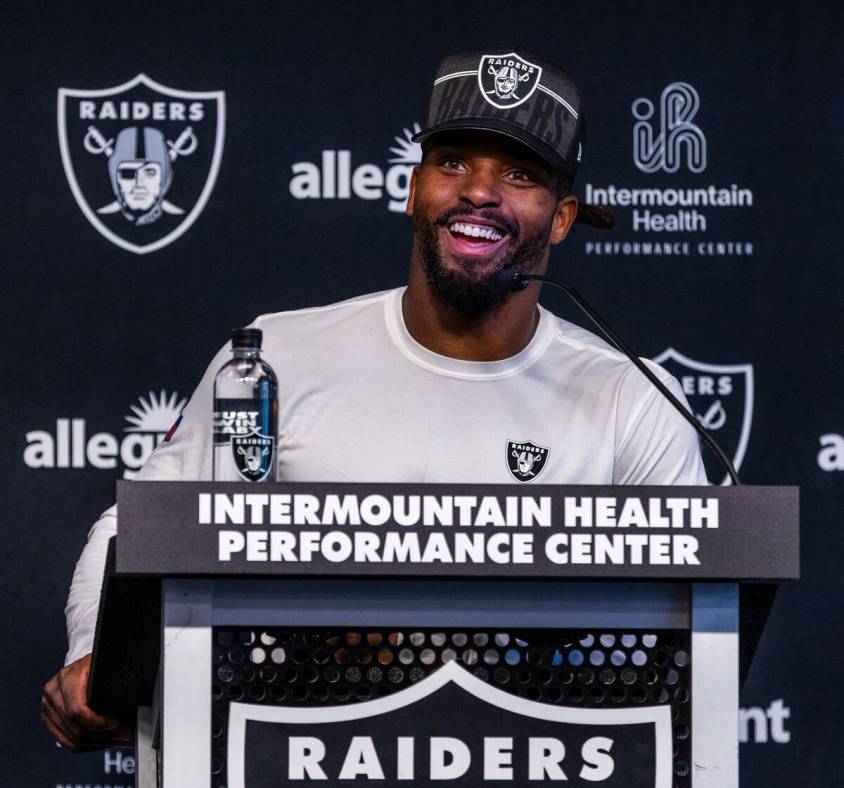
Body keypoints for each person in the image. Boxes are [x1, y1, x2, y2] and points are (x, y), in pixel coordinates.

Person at [41, 48, 707, 751]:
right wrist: (98, 657)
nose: (480, 192)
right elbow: (139, 528)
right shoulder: (273, 360)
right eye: (453, 162)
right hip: (286, 756)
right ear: (414, 189)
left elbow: (686, 637)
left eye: (520, 174)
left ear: (563, 216)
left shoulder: (631, 400)